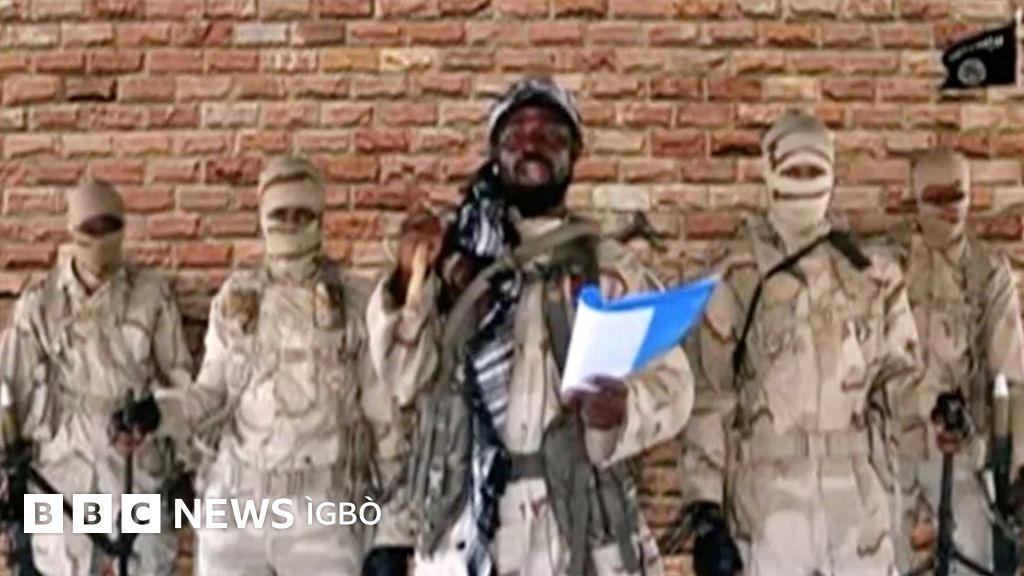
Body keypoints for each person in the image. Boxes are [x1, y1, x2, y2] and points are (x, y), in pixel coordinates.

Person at [367, 76, 695, 576]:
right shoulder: (454, 262)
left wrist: (623, 409)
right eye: (516, 134)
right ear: (495, 153)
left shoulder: (611, 269)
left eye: (549, 134)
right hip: (464, 526)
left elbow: (677, 386)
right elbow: (402, 379)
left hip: (578, 528)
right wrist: (408, 275)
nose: (532, 144)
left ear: (574, 153)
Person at [676, 110, 921, 576]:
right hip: (768, 499)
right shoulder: (735, 276)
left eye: (814, 169)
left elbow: (903, 383)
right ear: (769, 171)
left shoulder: (872, 275)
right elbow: (709, 396)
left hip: (857, 497)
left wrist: (936, 424)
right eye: (793, 169)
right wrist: (706, 509)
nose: (804, 182)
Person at [155, 156, 405, 576]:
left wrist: (392, 533)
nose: (290, 224)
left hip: (323, 512)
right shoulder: (235, 300)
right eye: (279, 214)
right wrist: (158, 410)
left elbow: (385, 424)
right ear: (262, 218)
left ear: (320, 219)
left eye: (301, 214)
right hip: (236, 505)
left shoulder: (356, 302)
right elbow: (209, 395)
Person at [0, 180, 191, 575]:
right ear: (72, 231)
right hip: (61, 472)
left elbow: (183, 386)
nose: (100, 237)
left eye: (110, 226)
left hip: (137, 464)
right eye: (90, 228)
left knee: (149, 561)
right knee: (59, 562)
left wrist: (184, 460)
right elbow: (9, 392)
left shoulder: (152, 296)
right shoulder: (40, 304)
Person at [892, 150, 1024, 574]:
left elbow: (1012, 376)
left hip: (961, 453)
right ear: (916, 198)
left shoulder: (987, 272)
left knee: (975, 558)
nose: (948, 209)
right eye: (935, 197)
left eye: (957, 196)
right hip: (890, 451)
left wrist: (1017, 466)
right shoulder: (889, 268)